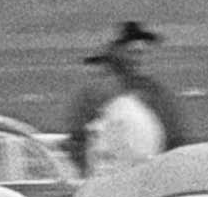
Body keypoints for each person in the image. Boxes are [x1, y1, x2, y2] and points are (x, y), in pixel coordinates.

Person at [63, 19, 190, 171]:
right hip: (109, 173)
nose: (138, 59)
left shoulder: (158, 94)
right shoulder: (96, 93)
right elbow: (77, 138)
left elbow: (175, 139)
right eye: (133, 53)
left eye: (143, 53)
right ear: (120, 54)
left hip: (149, 173)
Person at [81, 47, 166, 178]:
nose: (92, 85)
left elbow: (140, 169)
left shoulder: (132, 119)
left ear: (118, 79)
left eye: (101, 77)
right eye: (90, 78)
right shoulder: (109, 114)